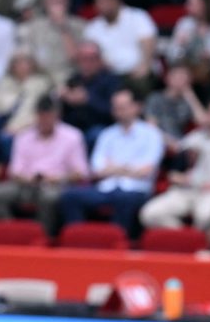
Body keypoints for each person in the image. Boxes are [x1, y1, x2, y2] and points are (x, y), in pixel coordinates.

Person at [59, 90, 165, 236]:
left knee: (124, 199)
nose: (118, 111)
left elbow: (146, 171)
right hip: (106, 188)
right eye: (115, 107)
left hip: (135, 190)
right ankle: (78, 239)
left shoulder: (151, 134)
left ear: (136, 107)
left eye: (123, 107)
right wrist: (127, 169)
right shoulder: (107, 134)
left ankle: (118, 242)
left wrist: (113, 168)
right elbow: (96, 170)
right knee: (71, 196)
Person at [0, 94, 89, 234]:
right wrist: (28, 179)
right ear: (36, 115)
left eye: (49, 116)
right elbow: (14, 171)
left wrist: (57, 178)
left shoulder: (72, 136)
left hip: (58, 185)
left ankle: (42, 237)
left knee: (48, 197)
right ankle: (13, 233)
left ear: (57, 115)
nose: (45, 120)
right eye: (42, 116)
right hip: (26, 184)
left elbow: (82, 173)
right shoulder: (24, 136)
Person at [140, 98, 210, 231]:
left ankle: (196, 239)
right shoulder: (193, 139)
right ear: (208, 115)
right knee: (149, 214)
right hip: (186, 190)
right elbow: (173, 172)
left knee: (204, 217)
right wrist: (182, 178)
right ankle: (185, 236)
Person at [17, 0, 85, 86]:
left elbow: (76, 58)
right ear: (45, 3)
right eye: (52, 0)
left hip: (68, 75)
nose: (56, 4)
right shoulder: (34, 26)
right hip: (40, 75)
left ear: (68, 2)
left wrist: (63, 27)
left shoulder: (79, 25)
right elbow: (27, 58)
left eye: (60, 0)